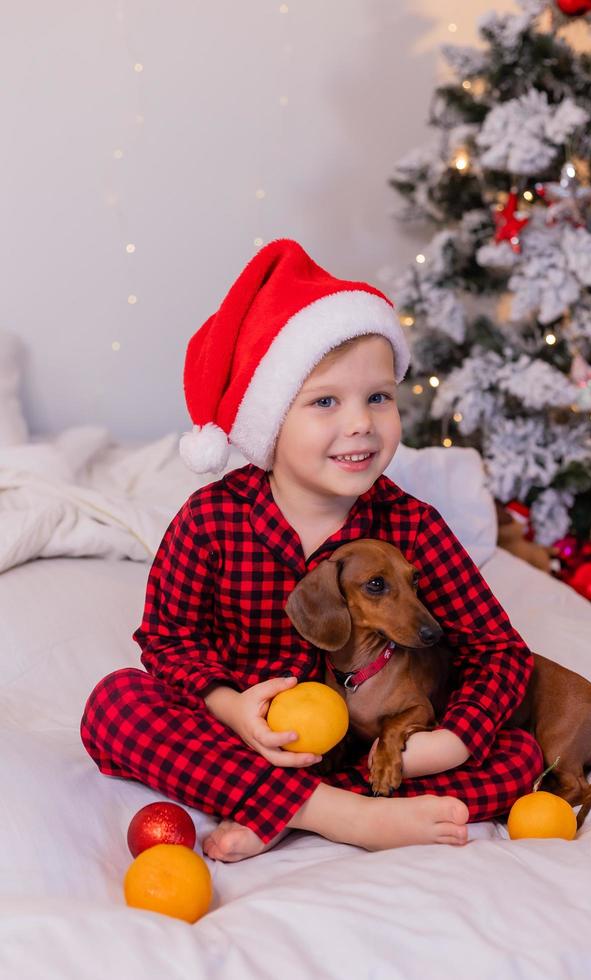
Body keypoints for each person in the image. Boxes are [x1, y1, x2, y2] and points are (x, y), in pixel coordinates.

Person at [80, 238, 543, 863]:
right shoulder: (211, 520)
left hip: (372, 745)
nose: (360, 423)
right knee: (114, 705)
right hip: (245, 741)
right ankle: (342, 814)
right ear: (269, 420)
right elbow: (168, 640)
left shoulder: (412, 524)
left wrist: (452, 743)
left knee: (520, 755)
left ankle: (285, 809)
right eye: (326, 401)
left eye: (378, 397)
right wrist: (233, 709)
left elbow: (497, 650)